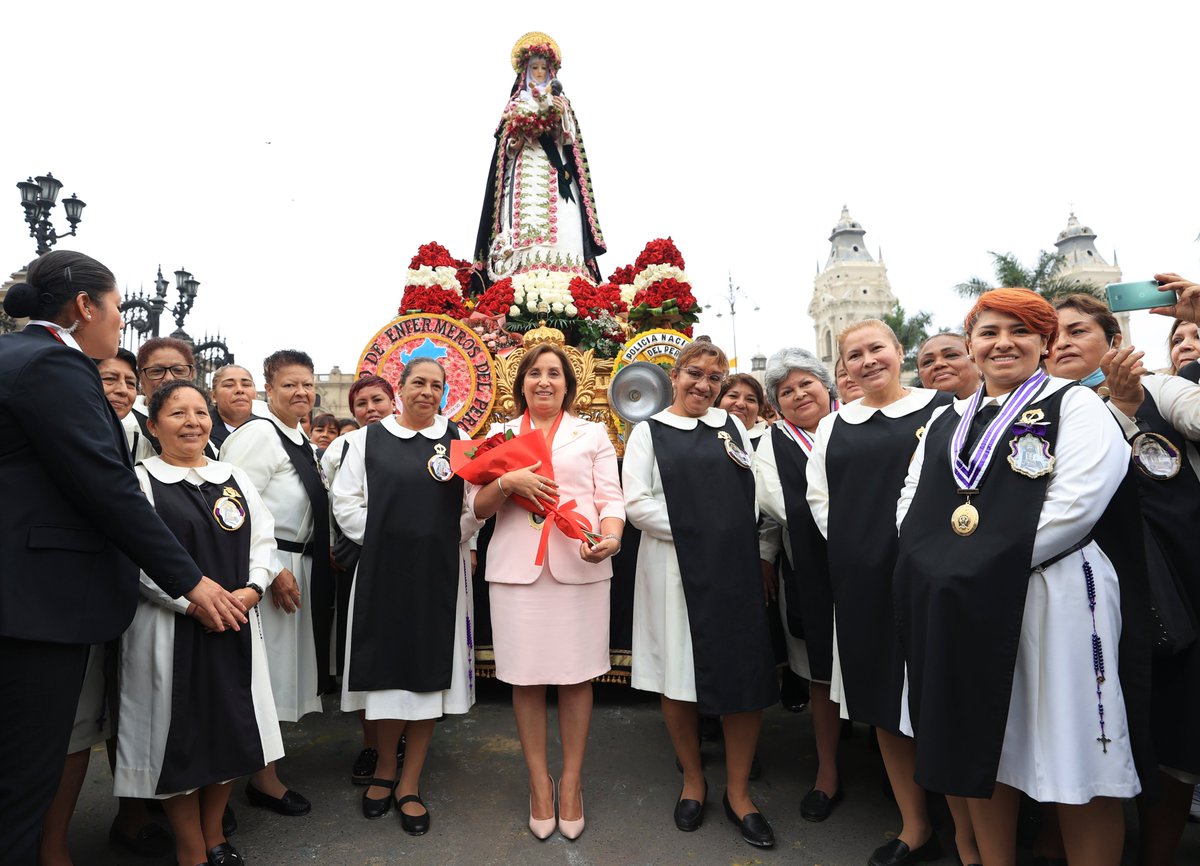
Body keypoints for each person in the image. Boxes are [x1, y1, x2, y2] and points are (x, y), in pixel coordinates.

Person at [0, 250, 245, 864]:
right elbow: (107, 486)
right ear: (86, 307)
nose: (119, 326)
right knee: (24, 778)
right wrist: (191, 580)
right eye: (113, 310)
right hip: (38, 603)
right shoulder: (55, 365)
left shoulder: (15, 356)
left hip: (22, 593)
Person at [895, 289, 1149, 866]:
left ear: (1045, 342)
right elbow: (910, 506)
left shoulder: (1078, 407)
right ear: (970, 346)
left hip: (1053, 594)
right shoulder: (944, 423)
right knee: (985, 744)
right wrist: (947, 569)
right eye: (989, 332)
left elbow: (1076, 506)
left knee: (1077, 755)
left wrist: (965, 567)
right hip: (962, 600)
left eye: (1020, 331)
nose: (1003, 342)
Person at [1048, 292, 1199, 865]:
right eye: (1053, 332)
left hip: (1166, 589)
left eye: (1078, 330)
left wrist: (1130, 406)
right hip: (1075, 594)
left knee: (1168, 725)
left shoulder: (1163, 389)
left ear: (1115, 344)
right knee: (1087, 721)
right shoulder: (1032, 407)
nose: (1061, 340)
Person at [114, 380, 283, 866]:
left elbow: (263, 541)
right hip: (170, 629)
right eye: (177, 414)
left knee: (230, 726)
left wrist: (251, 590)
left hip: (235, 624)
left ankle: (214, 834)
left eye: (199, 413)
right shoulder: (140, 480)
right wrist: (191, 604)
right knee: (180, 738)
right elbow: (136, 557)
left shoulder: (233, 476)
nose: (192, 422)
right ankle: (189, 845)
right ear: (153, 425)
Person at [806, 319, 953, 866]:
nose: (867, 362)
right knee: (884, 699)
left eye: (876, 349)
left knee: (937, 690)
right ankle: (915, 825)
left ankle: (963, 821)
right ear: (842, 367)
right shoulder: (834, 424)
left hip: (929, 573)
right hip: (860, 578)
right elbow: (820, 499)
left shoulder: (941, 409)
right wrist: (855, 547)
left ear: (898, 351)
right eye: (854, 355)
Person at [624, 338, 777, 849]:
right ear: (675, 374)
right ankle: (693, 779)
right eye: (695, 373)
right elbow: (637, 505)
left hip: (731, 568)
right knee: (677, 674)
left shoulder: (732, 426)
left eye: (715, 378)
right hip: (673, 566)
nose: (704, 385)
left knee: (741, 671)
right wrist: (702, 528)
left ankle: (739, 793)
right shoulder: (649, 432)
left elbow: (753, 492)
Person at [468, 342, 624, 841]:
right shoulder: (498, 437)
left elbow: (610, 499)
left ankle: (572, 781)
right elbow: (477, 510)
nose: (544, 381)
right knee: (526, 679)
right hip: (518, 574)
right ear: (521, 384)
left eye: (554, 373)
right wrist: (507, 481)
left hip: (579, 568)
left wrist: (612, 538)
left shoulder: (592, 433)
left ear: (568, 384)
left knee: (578, 678)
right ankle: (539, 781)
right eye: (534, 373)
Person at [332, 358, 481, 834]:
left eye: (436, 385)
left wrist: (441, 538)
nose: (426, 391)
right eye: (418, 382)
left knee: (425, 679)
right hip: (381, 571)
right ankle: (384, 771)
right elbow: (345, 502)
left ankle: (411, 781)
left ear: (444, 393)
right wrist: (388, 540)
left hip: (437, 573)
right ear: (400, 388)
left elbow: (472, 507)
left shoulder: (457, 441)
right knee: (389, 676)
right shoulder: (364, 441)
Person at [219, 350, 329, 817]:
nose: (300, 392)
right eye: (289, 385)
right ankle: (255, 780)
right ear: (269, 389)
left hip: (296, 563)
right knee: (259, 678)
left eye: (306, 384)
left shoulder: (298, 438)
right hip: (265, 569)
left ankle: (262, 772)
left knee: (278, 675)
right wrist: (274, 569)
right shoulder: (260, 434)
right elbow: (232, 504)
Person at [753, 347, 845, 824]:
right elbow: (778, 507)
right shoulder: (771, 444)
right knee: (821, 675)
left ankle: (899, 769)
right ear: (777, 404)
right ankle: (827, 773)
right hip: (809, 572)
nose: (797, 394)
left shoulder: (854, 422)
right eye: (785, 391)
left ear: (825, 385)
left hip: (873, 568)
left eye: (805, 383)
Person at [474, 32, 606, 284]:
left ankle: (568, 277)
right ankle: (519, 273)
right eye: (533, 67)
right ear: (525, 71)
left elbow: (570, 140)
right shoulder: (516, 104)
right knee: (521, 223)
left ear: (550, 71)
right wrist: (519, 137)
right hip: (524, 171)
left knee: (563, 219)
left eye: (542, 68)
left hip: (554, 172)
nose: (538, 72)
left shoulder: (560, 101)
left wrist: (557, 118)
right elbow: (506, 149)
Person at [321, 374, 399, 786]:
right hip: (362, 557)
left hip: (407, 560)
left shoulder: (414, 440)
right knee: (364, 653)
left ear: (393, 402)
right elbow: (336, 504)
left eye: (378, 400)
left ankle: (399, 737)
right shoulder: (342, 447)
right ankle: (372, 743)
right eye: (362, 403)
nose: (371, 409)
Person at [128, 337, 214, 463]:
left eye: (178, 370)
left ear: (192, 374)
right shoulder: (127, 424)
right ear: (140, 377)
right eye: (157, 371)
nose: (169, 378)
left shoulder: (204, 423)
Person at [917, 332, 981, 399]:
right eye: (928, 362)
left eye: (951, 355)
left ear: (977, 363)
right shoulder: (908, 409)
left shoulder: (991, 406)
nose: (938, 364)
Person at [209, 364, 258, 450]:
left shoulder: (273, 429)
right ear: (213, 395)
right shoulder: (202, 430)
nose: (239, 390)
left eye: (246, 385)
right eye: (229, 385)